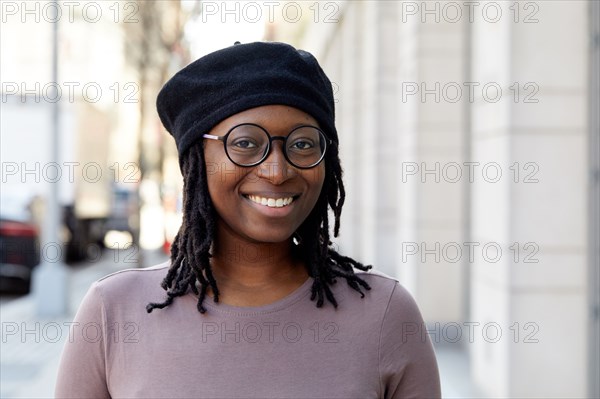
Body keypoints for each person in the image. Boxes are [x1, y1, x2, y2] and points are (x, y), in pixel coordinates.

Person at [55, 41, 441, 398]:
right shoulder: (113, 311)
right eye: (245, 143)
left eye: (303, 144)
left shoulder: (385, 315)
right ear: (196, 160)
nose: (277, 170)